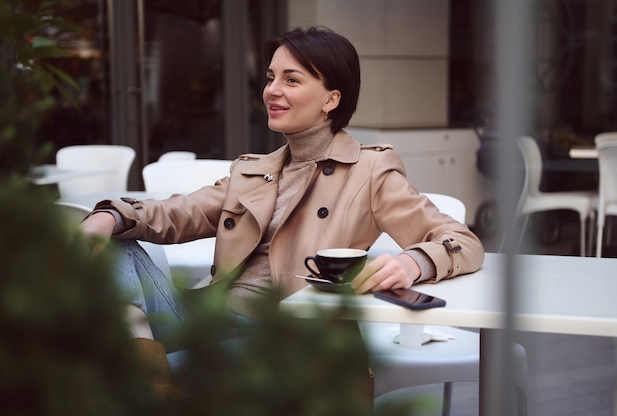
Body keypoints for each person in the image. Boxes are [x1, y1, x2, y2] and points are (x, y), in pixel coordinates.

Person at [80, 26, 485, 408]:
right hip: (209, 321)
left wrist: (411, 262)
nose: (272, 90)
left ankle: (149, 386)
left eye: (291, 80)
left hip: (288, 338)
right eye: (271, 77)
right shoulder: (252, 171)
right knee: (117, 241)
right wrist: (109, 217)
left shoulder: (369, 171)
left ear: (331, 99)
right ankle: (152, 379)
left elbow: (460, 240)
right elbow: (176, 212)